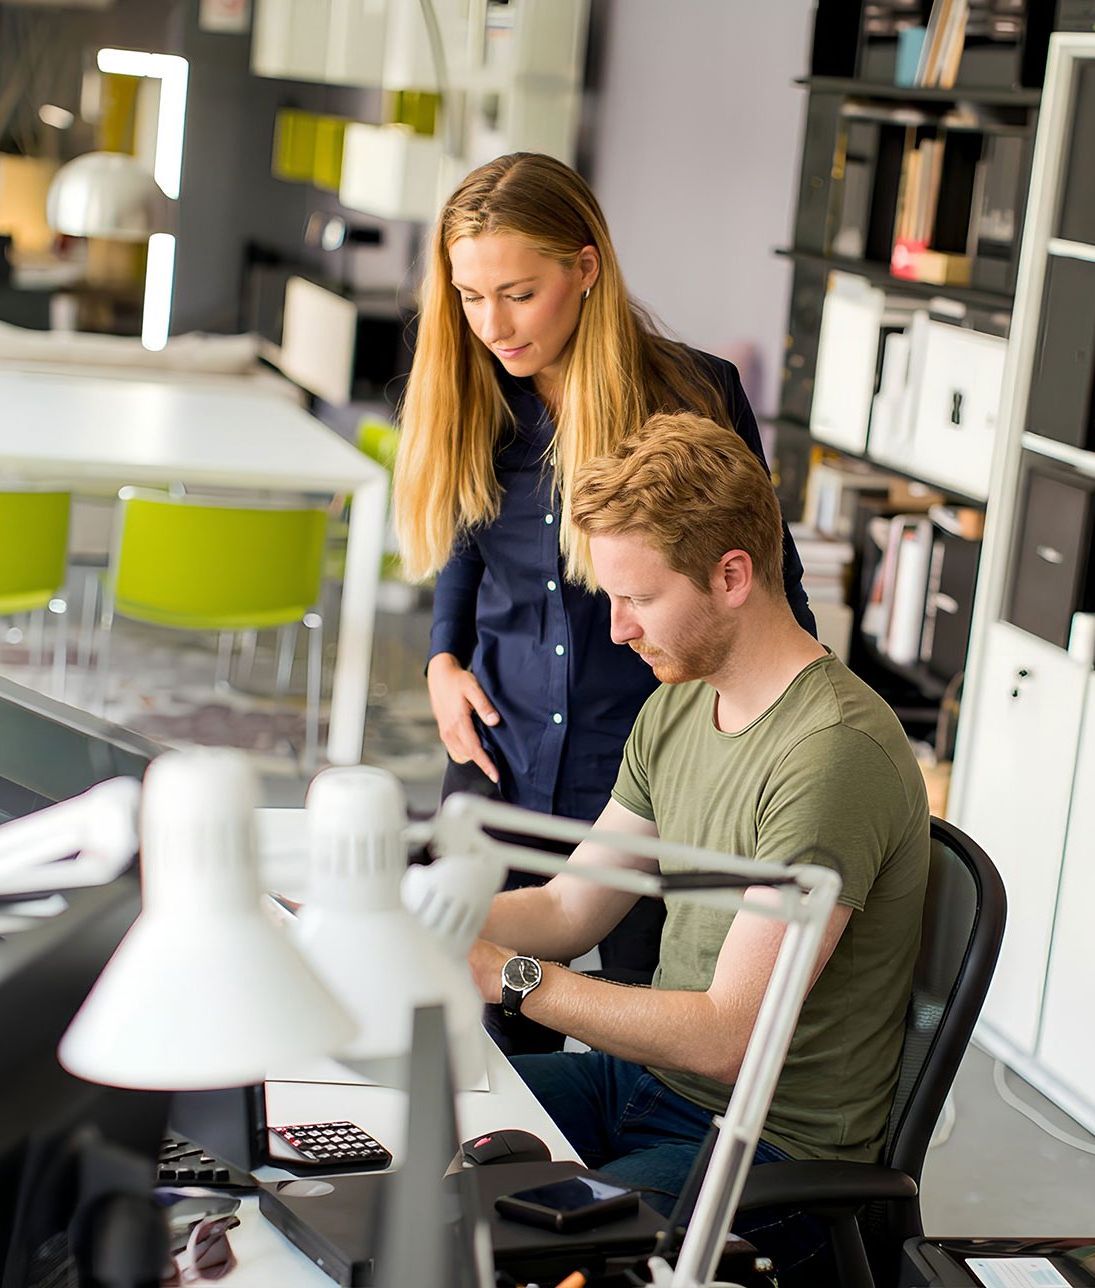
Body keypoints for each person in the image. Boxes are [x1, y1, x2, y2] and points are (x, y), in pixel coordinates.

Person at [466, 413, 929, 1274]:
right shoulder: (678, 702)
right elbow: (569, 909)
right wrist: (432, 915)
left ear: (731, 576)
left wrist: (508, 976)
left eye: (639, 600)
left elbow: (728, 1038)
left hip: (769, 1146)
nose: (618, 629)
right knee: (422, 1129)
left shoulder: (832, 755)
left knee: (525, 1248)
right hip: (647, 1086)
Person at [394, 154, 815, 1049]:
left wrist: (796, 740)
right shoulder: (474, 391)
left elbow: (766, 576)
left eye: (518, 294)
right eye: (470, 298)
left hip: (643, 773)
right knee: (481, 1032)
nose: (492, 325)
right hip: (501, 753)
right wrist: (442, 658)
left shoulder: (693, 396)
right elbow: (466, 534)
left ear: (585, 268)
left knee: (648, 1033)